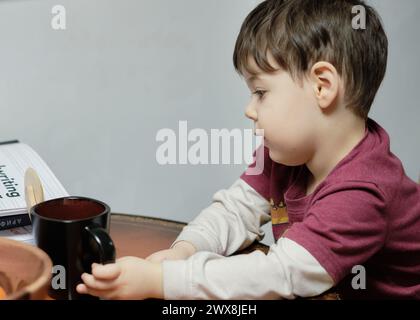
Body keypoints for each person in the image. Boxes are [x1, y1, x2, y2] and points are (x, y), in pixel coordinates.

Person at [76, 0, 420, 299]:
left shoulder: (363, 192)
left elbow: (281, 274)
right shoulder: (286, 154)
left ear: (322, 86)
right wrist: (184, 250)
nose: (249, 109)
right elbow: (235, 210)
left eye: (260, 92)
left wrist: (162, 281)